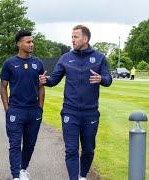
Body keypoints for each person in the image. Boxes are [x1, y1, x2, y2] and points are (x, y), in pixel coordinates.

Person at [39, 25, 112, 180]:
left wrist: (101, 79)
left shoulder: (99, 58)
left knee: (88, 150)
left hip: (90, 112)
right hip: (70, 112)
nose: (72, 40)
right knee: (71, 149)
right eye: (72, 37)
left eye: (76, 37)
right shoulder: (66, 58)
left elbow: (108, 79)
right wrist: (46, 80)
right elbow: (54, 80)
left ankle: (82, 176)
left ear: (85, 39)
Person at [0, 30, 45, 180]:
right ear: (19, 44)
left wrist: (40, 108)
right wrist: (7, 109)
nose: (31, 44)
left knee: (30, 144)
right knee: (14, 144)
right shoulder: (9, 63)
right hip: (16, 111)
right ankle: (16, 176)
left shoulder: (38, 63)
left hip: (34, 111)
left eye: (32, 41)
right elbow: (3, 87)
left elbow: (41, 86)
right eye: (28, 42)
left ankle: (23, 169)